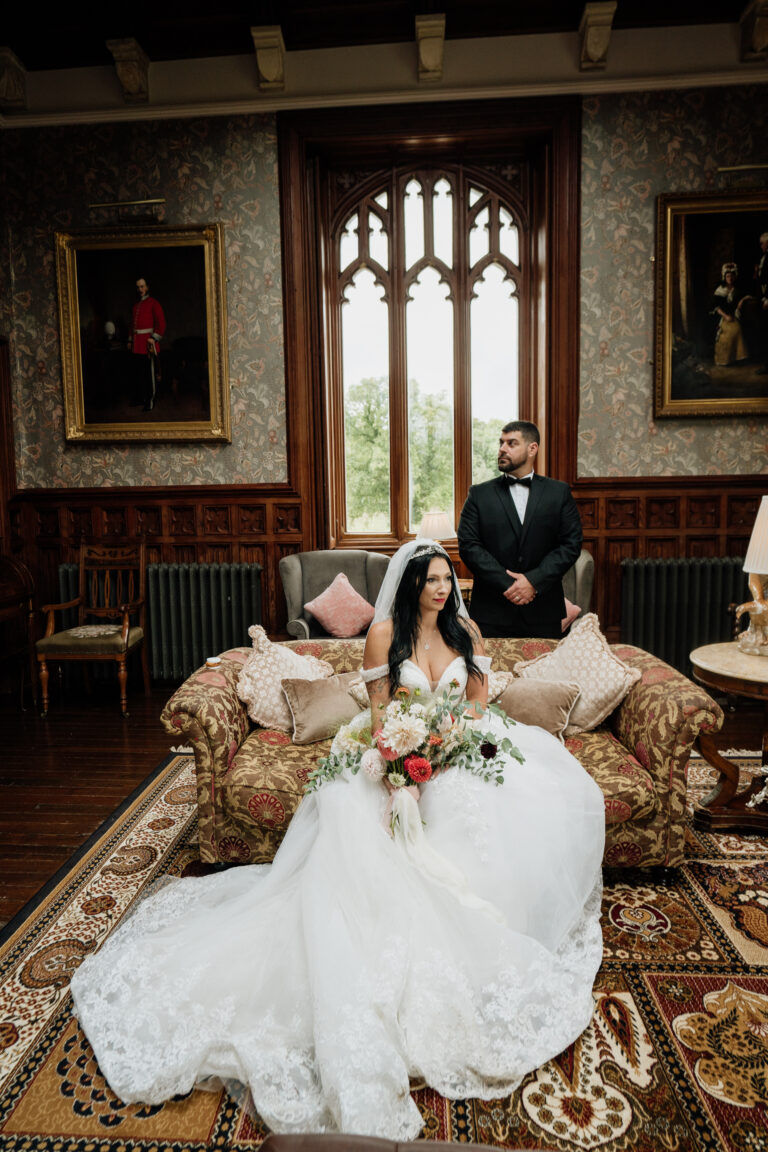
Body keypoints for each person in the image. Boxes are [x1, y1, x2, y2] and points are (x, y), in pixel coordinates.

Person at [69, 539, 604, 1139]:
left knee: (497, 806)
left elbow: (478, 706)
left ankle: (492, 917)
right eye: (430, 580)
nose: (441, 589)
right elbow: (380, 718)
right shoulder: (383, 638)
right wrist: (404, 768)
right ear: (408, 587)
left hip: (462, 751)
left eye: (446, 579)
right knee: (359, 825)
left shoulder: (466, 633)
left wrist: (450, 742)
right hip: (393, 753)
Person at [458, 421, 582, 639]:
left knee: (544, 672)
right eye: (501, 443)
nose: (502, 449)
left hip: (543, 610)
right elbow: (469, 546)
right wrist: (510, 586)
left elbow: (571, 545)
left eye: (511, 443)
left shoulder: (559, 492)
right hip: (491, 611)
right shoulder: (478, 494)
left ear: (532, 449)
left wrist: (533, 582)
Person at [130, 277, 166, 411]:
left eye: (142, 286)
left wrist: (154, 338)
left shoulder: (154, 303)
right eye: (138, 287)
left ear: (147, 287)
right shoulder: (135, 306)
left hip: (148, 344)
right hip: (136, 345)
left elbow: (161, 324)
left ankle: (151, 400)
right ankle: (141, 398)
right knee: (138, 374)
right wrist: (130, 340)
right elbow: (132, 326)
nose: (140, 289)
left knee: (149, 375)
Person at [711, 262, 749, 367]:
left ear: (734, 277)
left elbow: (748, 295)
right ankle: (724, 360)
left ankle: (734, 359)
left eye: (732, 276)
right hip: (722, 317)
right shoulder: (720, 290)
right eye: (728, 276)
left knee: (737, 330)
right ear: (724, 277)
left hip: (733, 316)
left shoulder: (736, 290)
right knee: (727, 335)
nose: (730, 278)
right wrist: (726, 316)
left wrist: (742, 301)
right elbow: (716, 307)